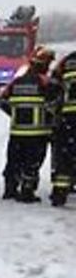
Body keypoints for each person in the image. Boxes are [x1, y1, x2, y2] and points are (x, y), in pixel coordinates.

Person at [1, 46, 56, 203]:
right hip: (38, 133)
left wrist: (17, 115)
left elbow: (4, 101)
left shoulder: (16, 82)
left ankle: (10, 189)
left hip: (17, 132)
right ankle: (27, 191)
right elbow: (56, 104)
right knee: (33, 162)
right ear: (44, 65)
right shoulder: (46, 83)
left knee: (14, 160)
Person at [49, 49, 76, 207]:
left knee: (65, 155)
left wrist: (56, 111)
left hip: (68, 118)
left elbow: (52, 89)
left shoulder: (66, 62)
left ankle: (60, 193)